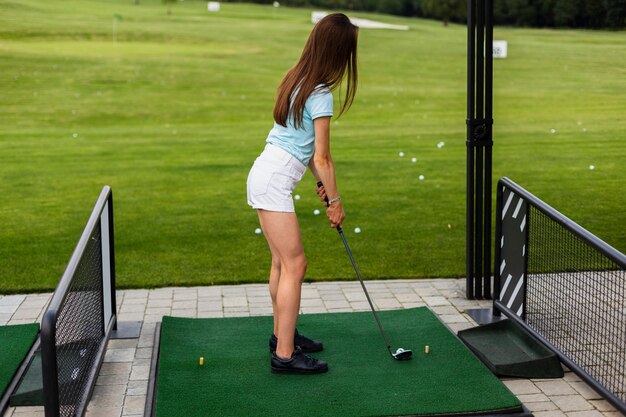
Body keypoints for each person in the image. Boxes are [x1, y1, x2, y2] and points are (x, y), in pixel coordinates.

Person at [246, 13, 359, 374]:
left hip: (265, 173)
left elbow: (305, 148)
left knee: (282, 263)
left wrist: (322, 184)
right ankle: (284, 354)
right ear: (338, 53)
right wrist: (336, 201)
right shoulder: (321, 94)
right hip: (275, 179)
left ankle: (285, 335)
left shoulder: (297, 80)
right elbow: (323, 155)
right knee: (296, 264)